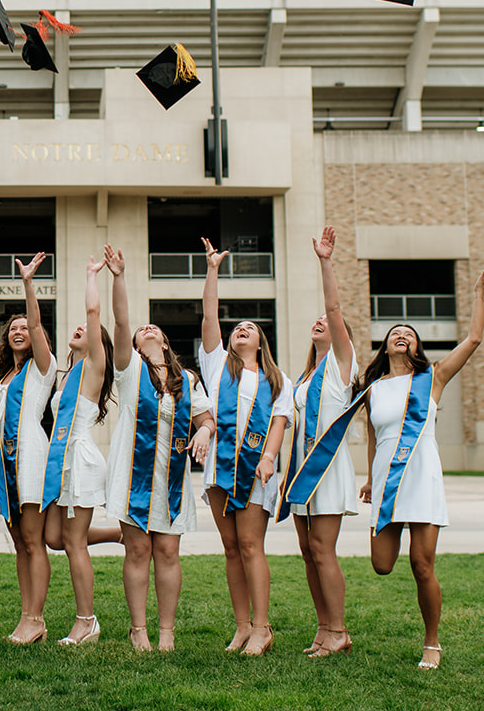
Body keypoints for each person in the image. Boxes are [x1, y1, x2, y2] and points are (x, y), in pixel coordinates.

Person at [359, 261, 484, 670]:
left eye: (409, 335)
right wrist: (370, 478)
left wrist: (476, 293)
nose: (401, 336)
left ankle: (432, 642)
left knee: (421, 565)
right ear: (385, 347)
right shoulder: (373, 389)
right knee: (382, 565)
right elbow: (372, 438)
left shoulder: (433, 378)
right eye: (394, 334)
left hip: (421, 479)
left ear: (417, 348)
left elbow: (473, 339)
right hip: (388, 481)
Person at [199, 238, 293, 656]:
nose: (241, 329)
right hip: (220, 471)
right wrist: (212, 270)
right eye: (237, 327)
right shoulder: (218, 365)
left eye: (250, 329)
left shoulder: (277, 379)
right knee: (231, 547)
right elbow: (209, 315)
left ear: (260, 342)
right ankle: (241, 626)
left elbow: (279, 421)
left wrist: (270, 457)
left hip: (256, 471)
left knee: (252, 545)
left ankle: (262, 627)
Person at [106, 305, 216, 651]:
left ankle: (166, 631)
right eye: (142, 330)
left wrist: (204, 433)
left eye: (154, 328)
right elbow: (122, 320)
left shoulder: (188, 380)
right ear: (136, 346)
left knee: (168, 552)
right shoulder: (129, 370)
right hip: (132, 479)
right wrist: (119, 275)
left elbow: (207, 420)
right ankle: (139, 629)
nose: (147, 328)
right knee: (138, 550)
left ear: (165, 344)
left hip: (171, 482)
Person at [41, 247, 124, 647]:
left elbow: (94, 316)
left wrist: (93, 274)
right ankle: (115, 534)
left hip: (82, 459)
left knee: (71, 542)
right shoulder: (67, 373)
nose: (79, 328)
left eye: (85, 330)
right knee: (55, 539)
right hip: (62, 461)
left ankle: (86, 621)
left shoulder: (93, 367)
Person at [281, 227, 359, 657]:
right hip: (300, 474)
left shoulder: (341, 366)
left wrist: (325, 262)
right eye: (315, 321)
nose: (320, 320)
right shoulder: (305, 377)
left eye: (326, 322)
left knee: (323, 550)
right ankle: (323, 628)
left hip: (325, 471)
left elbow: (333, 305)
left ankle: (340, 630)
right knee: (307, 551)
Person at [0, 251, 55, 644]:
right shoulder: (2, 376)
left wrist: (28, 283)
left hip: (30, 458)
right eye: (13, 328)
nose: (20, 330)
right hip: (5, 467)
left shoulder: (42, 367)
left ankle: (36, 616)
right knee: (18, 543)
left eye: (25, 327)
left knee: (32, 539)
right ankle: (27, 616)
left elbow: (38, 324)